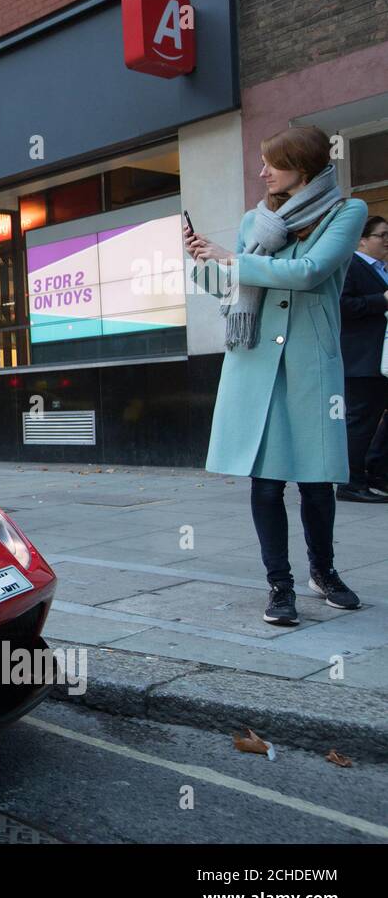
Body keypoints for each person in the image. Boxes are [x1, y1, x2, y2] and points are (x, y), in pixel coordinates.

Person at [185, 125, 368, 627]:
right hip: (257, 361)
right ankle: (279, 585)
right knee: (266, 484)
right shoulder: (254, 220)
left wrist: (233, 259)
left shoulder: (345, 211)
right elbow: (230, 288)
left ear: (303, 167)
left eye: (273, 162)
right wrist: (203, 261)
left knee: (316, 481)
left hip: (310, 362)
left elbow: (310, 271)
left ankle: (324, 572)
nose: (262, 171)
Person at [338, 215, 388, 502]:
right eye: (381, 235)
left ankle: (376, 471)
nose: (386, 240)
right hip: (361, 360)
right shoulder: (351, 266)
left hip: (381, 358)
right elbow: (341, 306)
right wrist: (381, 300)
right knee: (360, 422)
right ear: (362, 240)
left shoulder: (381, 269)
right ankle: (350, 483)